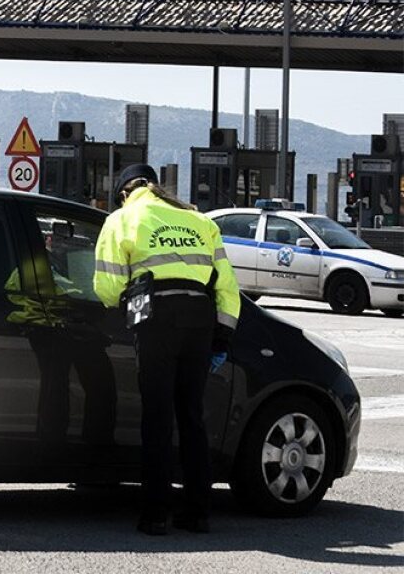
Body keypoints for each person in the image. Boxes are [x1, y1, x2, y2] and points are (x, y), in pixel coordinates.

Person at [93, 164, 240, 536]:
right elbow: (227, 287)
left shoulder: (123, 218)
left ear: (126, 191)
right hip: (199, 318)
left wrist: (123, 302)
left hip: (156, 317)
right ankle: (198, 513)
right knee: (192, 418)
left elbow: (108, 289)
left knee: (157, 419)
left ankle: (157, 514)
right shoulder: (198, 220)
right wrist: (221, 336)